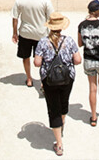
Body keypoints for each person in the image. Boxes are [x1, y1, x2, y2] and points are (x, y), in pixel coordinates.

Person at [34, 13, 81, 157]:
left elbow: (37, 63)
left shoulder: (43, 42)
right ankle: (61, 125)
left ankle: (59, 144)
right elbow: (78, 60)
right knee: (64, 103)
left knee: (53, 108)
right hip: (67, 77)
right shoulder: (70, 41)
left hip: (49, 80)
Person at [11, 0, 54, 87]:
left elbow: (15, 18)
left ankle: (29, 79)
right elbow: (51, 18)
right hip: (41, 34)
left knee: (26, 56)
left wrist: (15, 33)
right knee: (43, 59)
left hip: (25, 33)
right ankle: (43, 82)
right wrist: (53, 34)